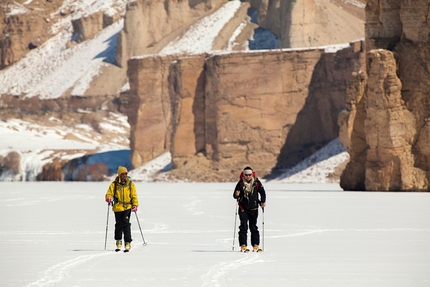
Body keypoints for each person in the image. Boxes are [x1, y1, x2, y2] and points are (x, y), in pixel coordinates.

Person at [105, 166, 139, 252]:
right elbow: (109, 193)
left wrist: (135, 205)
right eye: (122, 174)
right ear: (119, 175)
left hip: (127, 207)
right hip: (117, 207)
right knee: (118, 224)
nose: (124, 175)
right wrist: (108, 198)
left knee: (126, 223)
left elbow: (134, 196)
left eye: (126, 174)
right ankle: (118, 241)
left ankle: (127, 242)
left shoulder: (130, 184)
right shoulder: (114, 184)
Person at [233, 166, 266, 252]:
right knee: (243, 227)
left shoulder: (256, 183)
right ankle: (243, 245)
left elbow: (262, 192)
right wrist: (237, 194)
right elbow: (234, 196)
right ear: (243, 175)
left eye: (249, 174)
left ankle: (255, 245)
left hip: (254, 208)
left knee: (253, 227)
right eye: (246, 175)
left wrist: (263, 201)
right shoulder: (240, 183)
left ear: (252, 174)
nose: (248, 176)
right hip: (243, 208)